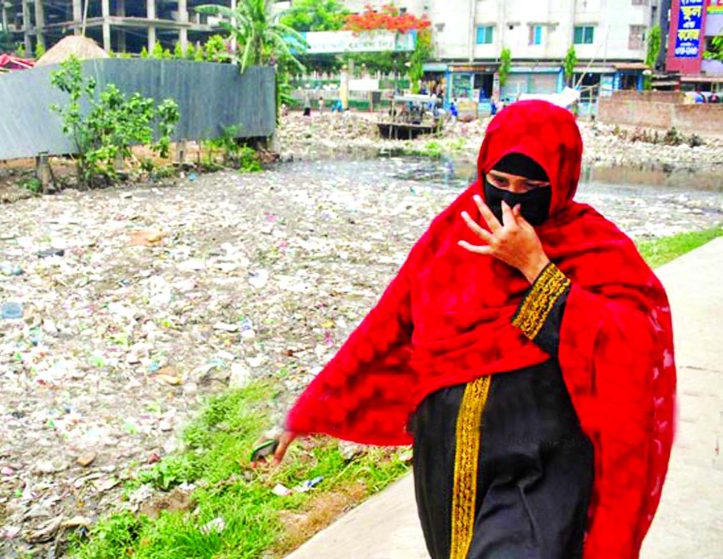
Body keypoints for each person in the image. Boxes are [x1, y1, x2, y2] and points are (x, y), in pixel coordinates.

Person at [270, 101, 676, 559]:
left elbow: (638, 345)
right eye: (499, 182)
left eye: (530, 187)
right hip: (446, 462)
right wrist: (312, 407)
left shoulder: (593, 245)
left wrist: (535, 267)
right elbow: (389, 321)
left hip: (541, 463)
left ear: (561, 181)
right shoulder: (453, 232)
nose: (510, 200)